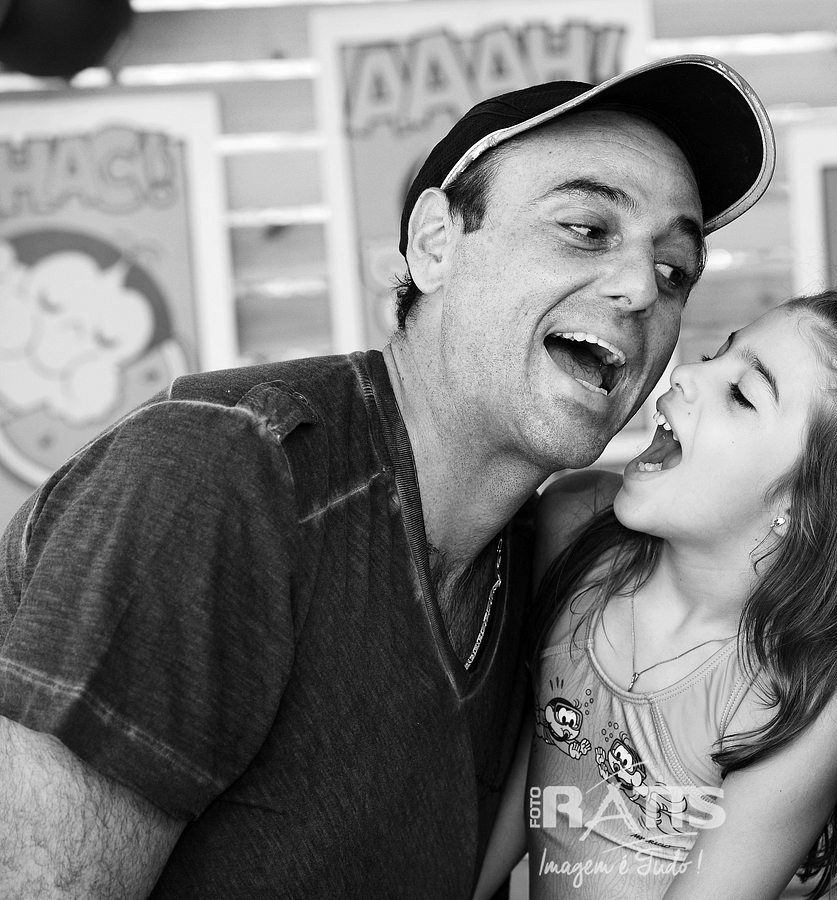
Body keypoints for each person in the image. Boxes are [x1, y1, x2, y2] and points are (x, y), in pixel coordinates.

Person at [0, 56, 775, 896]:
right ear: (435, 244)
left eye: (674, 271)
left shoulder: (551, 568)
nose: (640, 290)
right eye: (586, 228)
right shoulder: (223, 471)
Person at [472, 290, 837, 899]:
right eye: (717, 355)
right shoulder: (574, 526)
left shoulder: (799, 701)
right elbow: (538, 763)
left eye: (742, 394)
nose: (688, 374)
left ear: (808, 509)